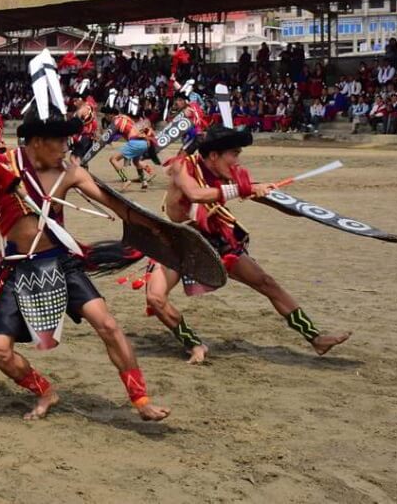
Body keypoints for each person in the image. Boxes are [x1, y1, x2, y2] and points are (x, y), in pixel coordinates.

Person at [0, 110, 169, 422]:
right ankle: (45, 389)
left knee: (109, 326)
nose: (66, 145)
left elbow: (118, 206)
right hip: (18, 269)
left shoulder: (69, 172)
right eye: (59, 140)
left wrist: (161, 232)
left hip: (61, 263)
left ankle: (140, 399)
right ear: (36, 142)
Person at [144, 123, 350, 363]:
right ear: (213, 155)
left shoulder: (231, 176)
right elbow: (195, 195)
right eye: (234, 153)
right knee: (155, 298)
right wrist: (246, 189)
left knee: (266, 283)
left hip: (213, 241)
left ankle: (315, 339)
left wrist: (298, 208)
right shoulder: (183, 167)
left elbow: (261, 196)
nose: (237, 160)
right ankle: (194, 344)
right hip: (177, 239)